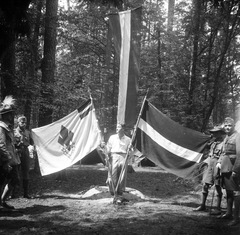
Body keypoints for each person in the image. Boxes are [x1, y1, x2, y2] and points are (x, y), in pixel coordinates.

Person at [194, 126, 225, 214]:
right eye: (213, 132)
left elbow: (223, 154)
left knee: (218, 185)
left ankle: (218, 207)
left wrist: (219, 163)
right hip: (209, 162)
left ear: (220, 133)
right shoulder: (212, 142)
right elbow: (205, 146)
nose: (213, 134)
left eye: (216, 132)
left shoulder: (224, 143)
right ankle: (202, 205)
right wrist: (208, 138)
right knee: (205, 184)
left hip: (217, 163)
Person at [216, 117, 240, 224]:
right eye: (225, 125)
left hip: (233, 167)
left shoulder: (237, 137)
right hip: (225, 167)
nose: (227, 127)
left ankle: (236, 218)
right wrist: (219, 162)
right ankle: (229, 213)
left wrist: (236, 169)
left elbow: (239, 154)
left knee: (235, 192)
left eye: (229, 125)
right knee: (228, 191)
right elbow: (223, 152)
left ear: (233, 126)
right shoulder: (226, 137)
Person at [0, 96, 20, 210]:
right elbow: (1, 145)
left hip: (12, 158)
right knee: (1, 181)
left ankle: (3, 201)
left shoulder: (8, 127)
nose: (12, 115)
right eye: (9, 113)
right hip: (4, 160)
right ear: (5, 115)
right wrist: (6, 161)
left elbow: (10, 143)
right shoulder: (1, 127)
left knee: (15, 180)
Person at [105, 123, 132, 203]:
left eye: (118, 127)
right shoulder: (112, 137)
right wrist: (104, 148)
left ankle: (120, 193)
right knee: (113, 175)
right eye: (116, 127)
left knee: (122, 175)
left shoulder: (128, 139)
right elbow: (108, 149)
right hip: (114, 156)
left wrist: (130, 150)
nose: (116, 128)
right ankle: (113, 192)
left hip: (123, 157)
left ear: (123, 129)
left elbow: (131, 152)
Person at [14, 115, 34, 199]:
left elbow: (31, 142)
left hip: (25, 152)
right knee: (15, 173)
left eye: (25, 122)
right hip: (17, 152)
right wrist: (18, 144)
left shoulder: (27, 132)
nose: (24, 124)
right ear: (18, 123)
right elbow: (11, 144)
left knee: (26, 172)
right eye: (22, 122)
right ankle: (13, 194)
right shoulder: (14, 132)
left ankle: (26, 193)